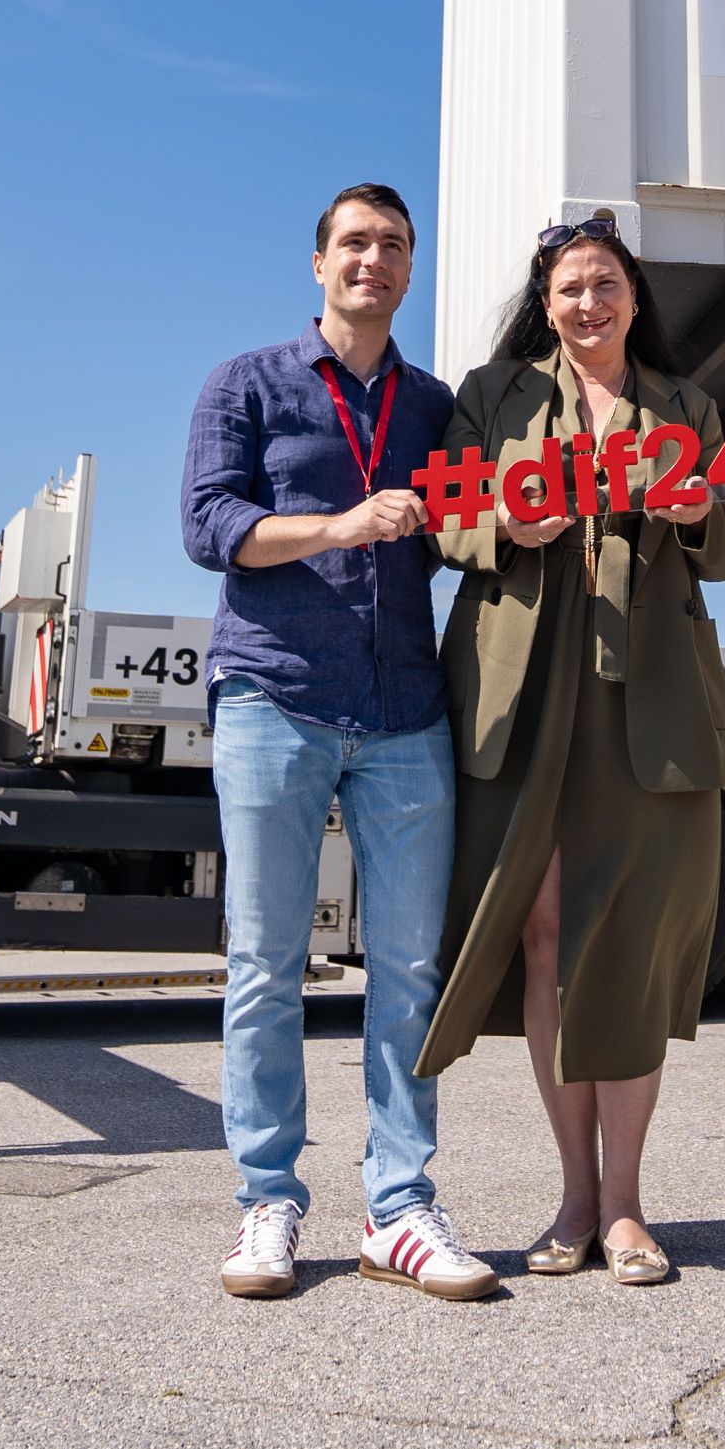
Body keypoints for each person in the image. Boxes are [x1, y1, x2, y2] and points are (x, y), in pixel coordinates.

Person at [416, 212, 725, 1287]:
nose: (588, 304)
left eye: (604, 284)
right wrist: (497, 531)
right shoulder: (491, 395)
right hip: (525, 683)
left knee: (632, 943)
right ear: (545, 301)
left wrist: (698, 511)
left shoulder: (684, 405)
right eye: (569, 288)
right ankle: (570, 1194)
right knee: (550, 932)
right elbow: (437, 517)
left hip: (647, 693)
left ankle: (626, 1205)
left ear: (633, 296)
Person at [179, 183, 496, 1304]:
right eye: (355, 242)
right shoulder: (247, 383)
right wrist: (342, 524)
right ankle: (268, 1199)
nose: (374, 259)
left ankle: (399, 1207)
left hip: (405, 706)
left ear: (410, 268)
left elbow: (463, 525)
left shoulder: (434, 402)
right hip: (274, 694)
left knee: (407, 971)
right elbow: (208, 526)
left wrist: (508, 523)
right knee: (267, 965)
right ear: (318, 262)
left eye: (394, 245)